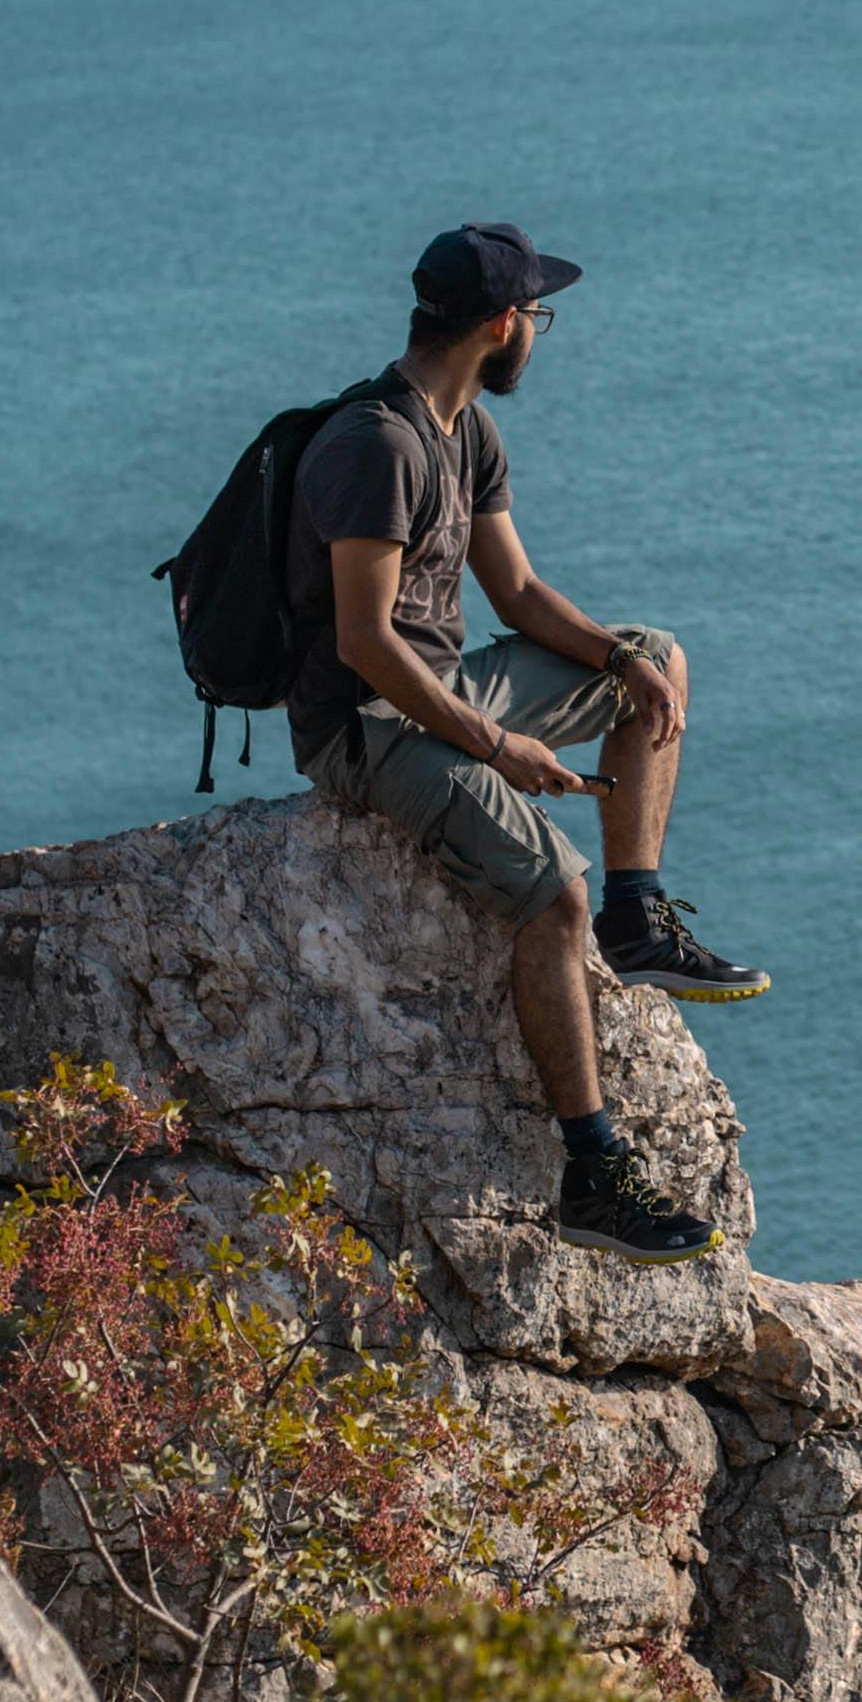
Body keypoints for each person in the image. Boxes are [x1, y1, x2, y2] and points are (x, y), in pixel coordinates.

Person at [284, 219, 769, 1266]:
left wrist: (617, 658)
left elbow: (514, 591)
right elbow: (365, 644)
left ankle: (637, 921)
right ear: (504, 324)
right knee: (552, 894)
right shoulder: (377, 445)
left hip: (445, 686)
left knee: (658, 657)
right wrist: (497, 747)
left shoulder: (464, 432)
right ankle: (593, 1173)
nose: (540, 334)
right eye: (537, 316)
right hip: (364, 729)